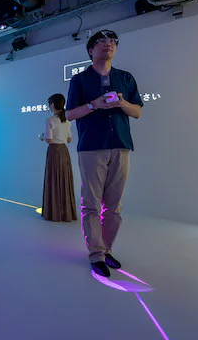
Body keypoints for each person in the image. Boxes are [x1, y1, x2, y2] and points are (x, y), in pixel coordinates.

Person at [65, 30, 143, 277]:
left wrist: (122, 103)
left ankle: (107, 250)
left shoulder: (125, 78)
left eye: (112, 42)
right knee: (91, 204)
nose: (108, 44)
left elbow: (137, 111)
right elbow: (69, 114)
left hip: (120, 144)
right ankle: (96, 254)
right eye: (101, 41)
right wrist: (93, 105)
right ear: (91, 50)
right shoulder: (79, 80)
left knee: (114, 206)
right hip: (91, 146)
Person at [40, 93, 77, 222]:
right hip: (64, 151)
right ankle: (66, 212)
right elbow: (69, 139)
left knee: (54, 179)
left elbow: (49, 140)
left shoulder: (50, 120)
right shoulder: (67, 121)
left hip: (54, 151)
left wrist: (42, 137)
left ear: (52, 105)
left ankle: (53, 212)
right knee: (64, 179)